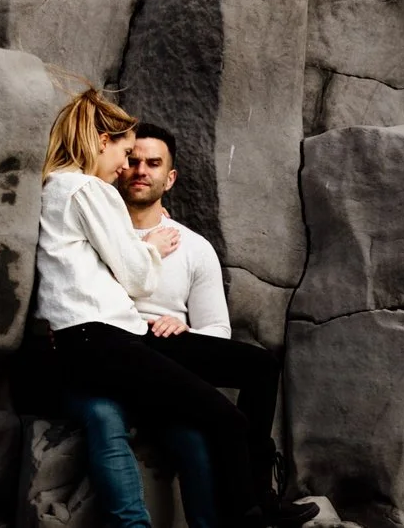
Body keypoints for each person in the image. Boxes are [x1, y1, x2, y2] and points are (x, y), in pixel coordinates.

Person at [33, 88, 309, 528]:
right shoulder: (89, 189)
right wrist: (153, 250)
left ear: (171, 177)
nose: (127, 168)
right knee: (224, 418)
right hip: (104, 339)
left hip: (118, 338)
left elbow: (71, 273)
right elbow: (135, 276)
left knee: (258, 367)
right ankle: (249, 514)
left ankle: (261, 502)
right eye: (126, 154)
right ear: (102, 142)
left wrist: (177, 322)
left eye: (146, 162)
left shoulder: (59, 189)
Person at [62, 123, 231, 528]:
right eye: (133, 160)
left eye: (153, 164)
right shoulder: (87, 234)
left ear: (169, 178)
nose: (140, 170)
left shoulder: (194, 248)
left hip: (164, 375)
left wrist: (186, 332)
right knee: (104, 417)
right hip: (100, 374)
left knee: (192, 438)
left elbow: (220, 333)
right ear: (117, 165)